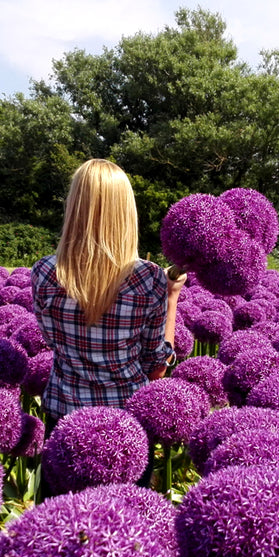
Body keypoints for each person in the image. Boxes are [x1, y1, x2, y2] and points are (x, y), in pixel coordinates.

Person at [31, 158, 186, 436]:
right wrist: (172, 296)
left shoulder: (44, 272)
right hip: (126, 426)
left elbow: (52, 342)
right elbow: (156, 369)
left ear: (74, 207)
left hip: (64, 420)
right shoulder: (148, 278)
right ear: (126, 212)